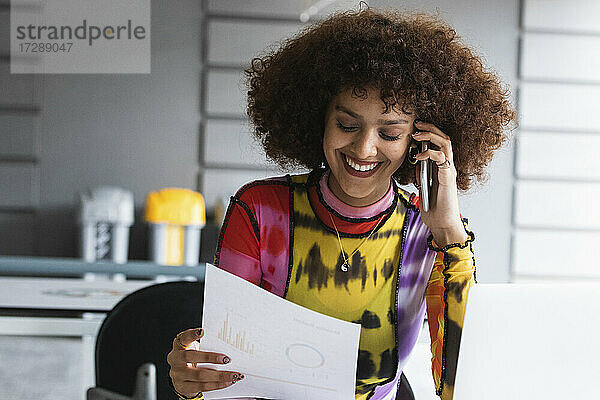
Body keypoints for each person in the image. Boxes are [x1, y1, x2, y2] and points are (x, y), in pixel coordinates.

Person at [167, 6, 516, 400]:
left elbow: (458, 384)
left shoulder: (428, 230)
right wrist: (193, 383)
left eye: (390, 132)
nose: (364, 148)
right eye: (347, 125)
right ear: (320, 118)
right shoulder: (261, 210)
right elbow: (224, 370)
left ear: (417, 142)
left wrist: (450, 234)